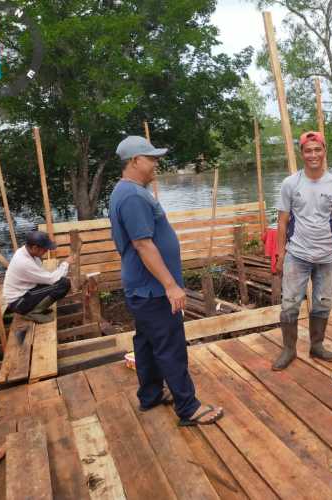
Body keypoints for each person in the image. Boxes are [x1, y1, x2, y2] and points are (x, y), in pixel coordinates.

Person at [109, 135, 223, 425]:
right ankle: (188, 408)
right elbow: (143, 244)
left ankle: (151, 395)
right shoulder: (133, 196)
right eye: (151, 158)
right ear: (135, 161)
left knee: (147, 342)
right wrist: (171, 285)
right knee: (170, 345)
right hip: (153, 289)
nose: (156, 164)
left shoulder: (127, 191)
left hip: (142, 287)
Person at [273, 131, 332, 370]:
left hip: (326, 255)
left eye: (318, 149)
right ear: (302, 153)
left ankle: (317, 346)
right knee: (290, 303)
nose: (313, 154)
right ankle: (289, 349)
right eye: (308, 150)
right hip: (297, 253)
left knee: (323, 301)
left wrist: (327, 238)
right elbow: (282, 221)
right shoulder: (290, 183)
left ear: (324, 151)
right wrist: (280, 252)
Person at [3, 231, 73, 323]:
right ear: (35, 248)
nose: (46, 251)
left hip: (23, 295)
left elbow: (44, 276)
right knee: (63, 284)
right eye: (45, 249)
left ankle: (37, 308)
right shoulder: (24, 262)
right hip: (19, 302)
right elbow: (52, 279)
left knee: (58, 282)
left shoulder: (26, 252)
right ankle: (32, 312)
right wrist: (66, 263)